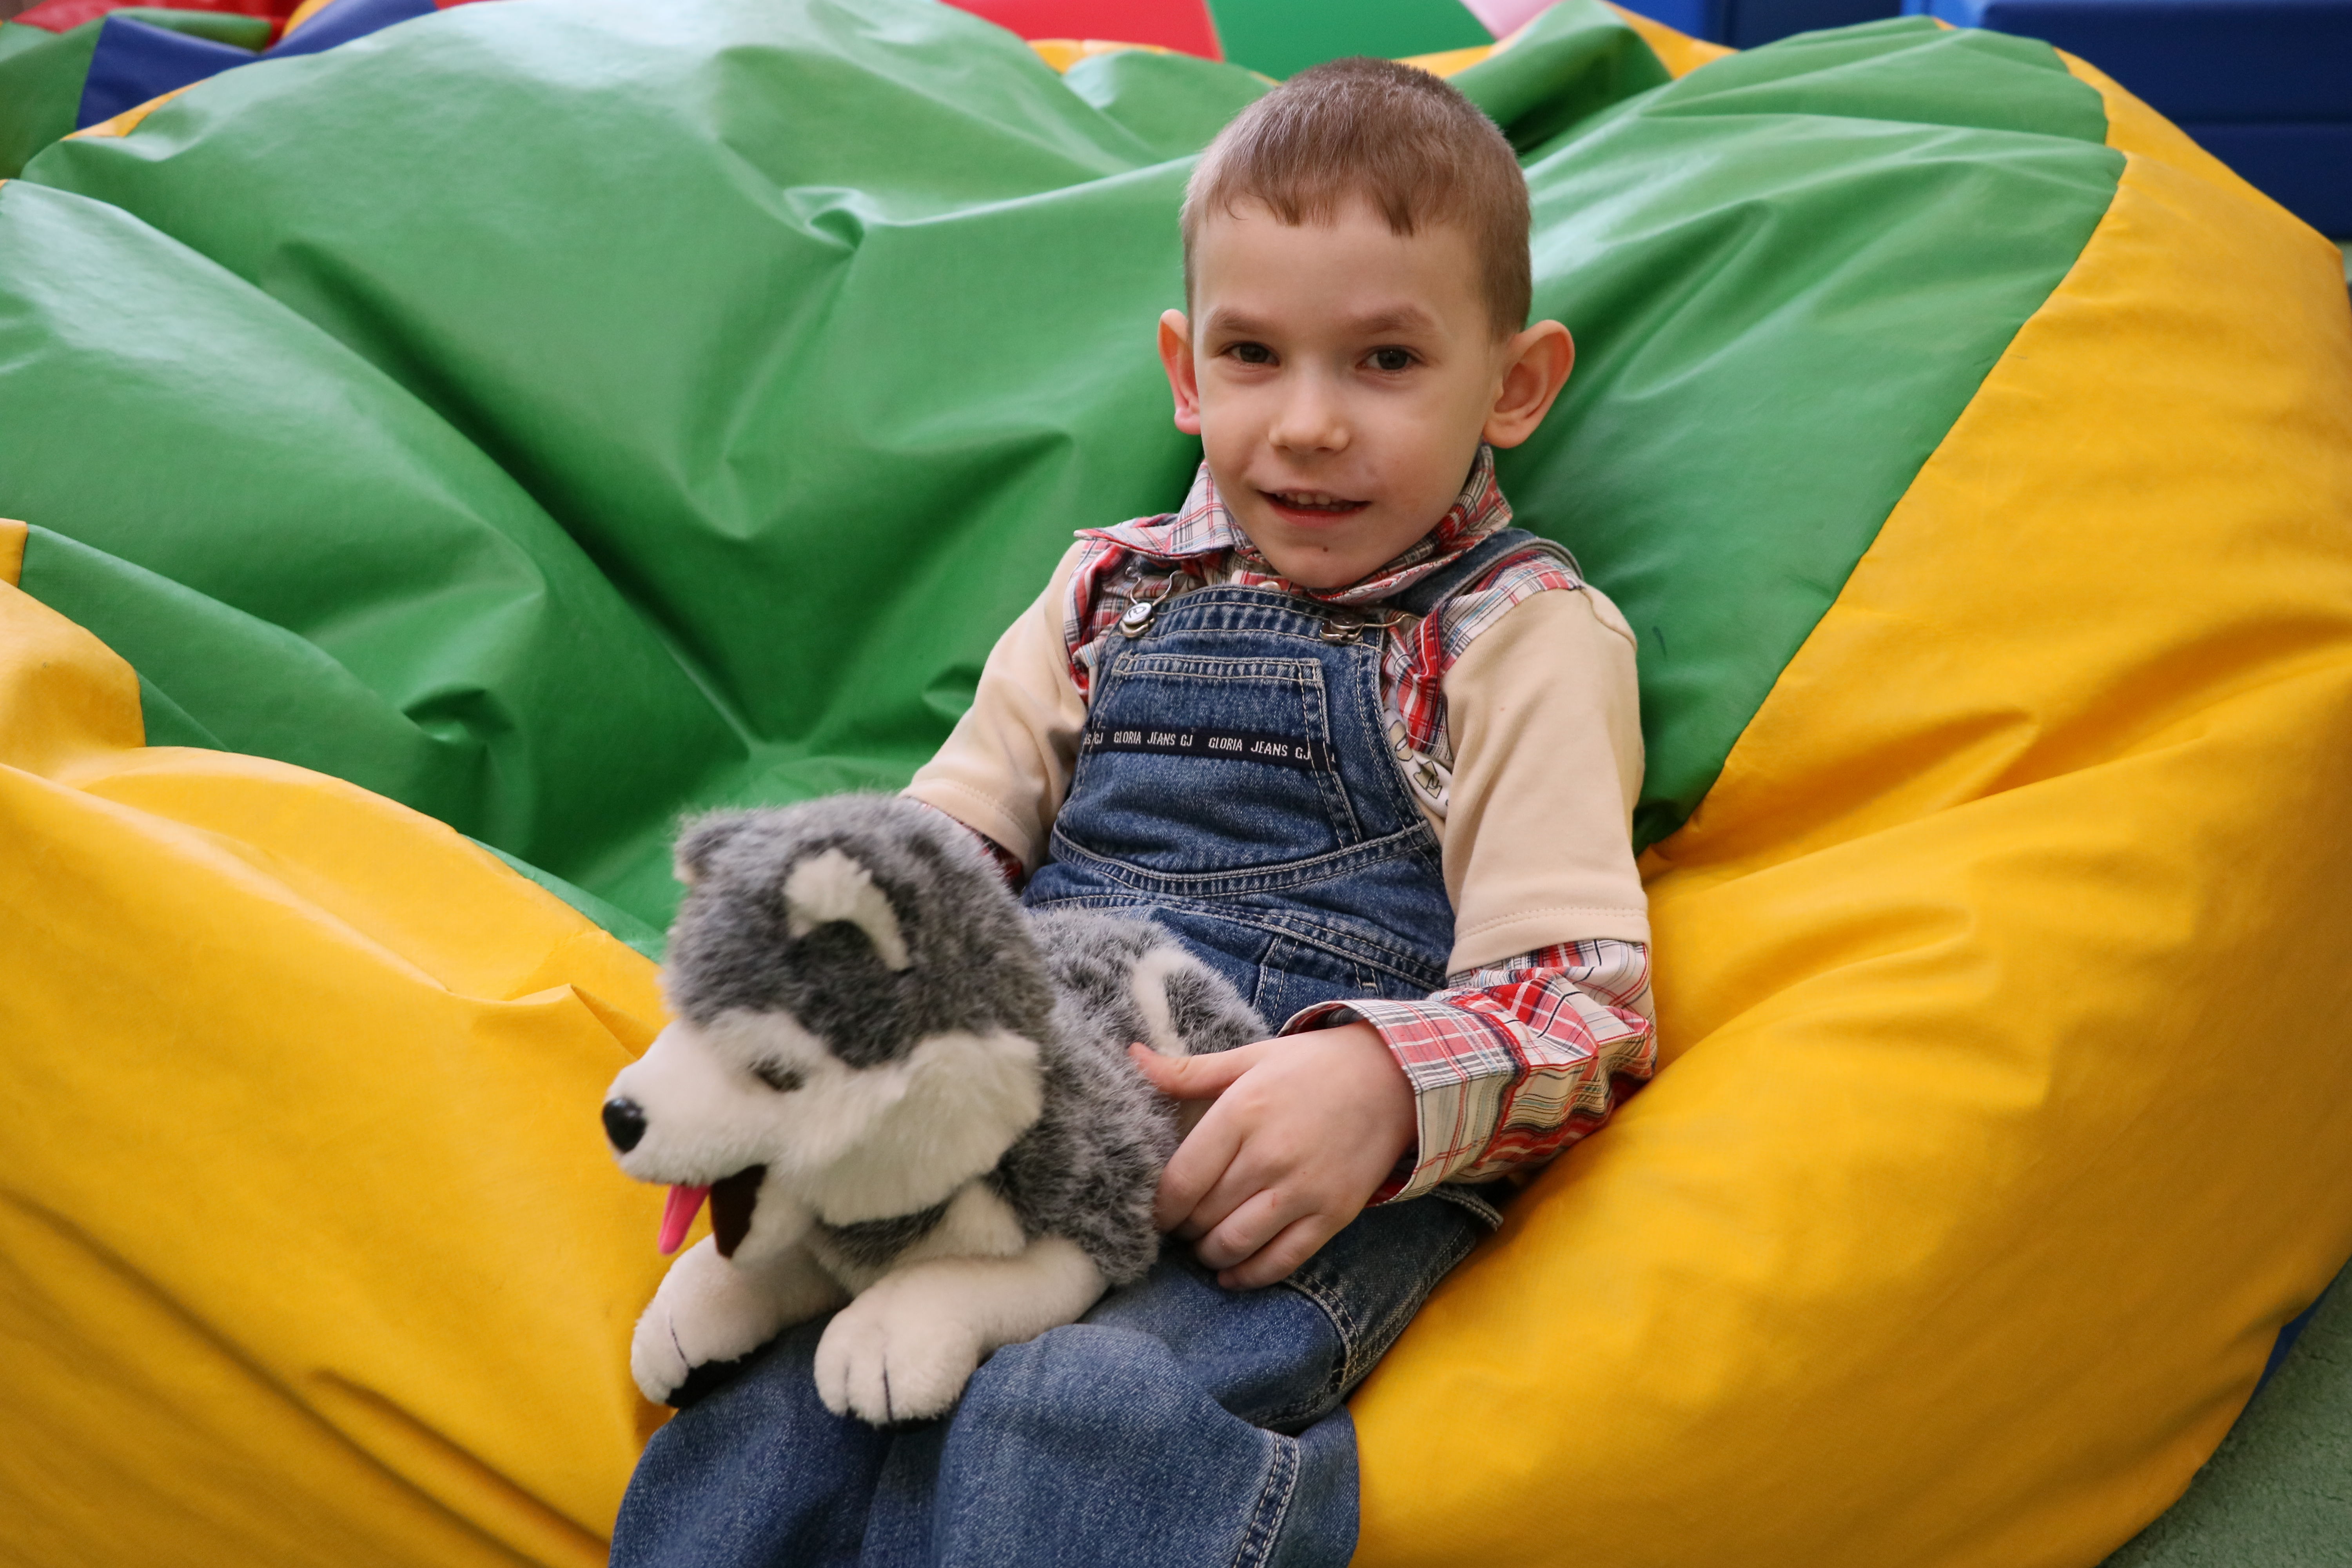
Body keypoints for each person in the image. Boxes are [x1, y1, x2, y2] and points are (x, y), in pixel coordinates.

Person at [610, 55, 1655, 1568]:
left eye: (1384, 361)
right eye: (1253, 355)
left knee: (1072, 1409)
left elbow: (1583, 996)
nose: (1307, 423)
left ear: (1513, 384)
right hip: (1024, 1132)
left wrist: (1375, 1088)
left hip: (1280, 1191)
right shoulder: (1111, 590)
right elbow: (937, 865)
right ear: (1184, 369)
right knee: (781, 1403)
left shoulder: (1517, 637)